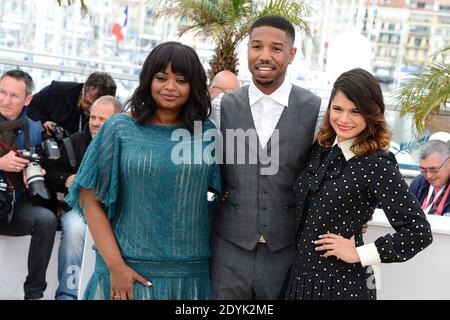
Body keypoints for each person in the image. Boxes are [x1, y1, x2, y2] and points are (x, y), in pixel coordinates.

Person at [64, 41, 221, 300]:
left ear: (193, 86)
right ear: (148, 79)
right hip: (124, 274)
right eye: (161, 78)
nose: (170, 87)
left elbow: (222, 197)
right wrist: (116, 267)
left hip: (188, 276)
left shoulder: (206, 133)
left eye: (181, 80)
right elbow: (88, 198)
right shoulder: (118, 128)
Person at [281, 68, 433, 300]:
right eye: (338, 108)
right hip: (301, 279)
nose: (343, 119)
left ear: (371, 114)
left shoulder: (376, 164)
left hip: (340, 286)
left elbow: (419, 232)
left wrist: (359, 253)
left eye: (356, 111)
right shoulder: (321, 149)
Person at [210, 15, 324, 299]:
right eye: (257, 46)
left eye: (276, 48)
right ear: (247, 50)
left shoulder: (316, 110)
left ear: (291, 54)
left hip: (285, 251)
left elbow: (333, 170)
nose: (265, 56)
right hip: (228, 249)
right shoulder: (222, 107)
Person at [45, 96, 122, 300]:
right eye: (93, 117)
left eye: (103, 119)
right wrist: (66, 179)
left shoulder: (127, 144)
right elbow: (50, 173)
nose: (96, 123)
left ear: (118, 120)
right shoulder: (74, 141)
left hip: (116, 212)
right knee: (75, 229)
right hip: (78, 211)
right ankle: (67, 295)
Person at [0, 69, 57, 300]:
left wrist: (35, 173)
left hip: (12, 206)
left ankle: (34, 294)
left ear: (28, 99)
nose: (5, 100)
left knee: (46, 219)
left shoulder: (34, 131)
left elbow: (41, 171)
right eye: (2, 92)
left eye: (14, 95)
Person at [26, 72, 117, 137]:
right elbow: (29, 106)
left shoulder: (113, 114)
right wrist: (43, 122)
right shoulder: (57, 91)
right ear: (83, 89)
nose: (91, 110)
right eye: (88, 103)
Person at [410, 139, 450, 217]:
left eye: (433, 169)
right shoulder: (419, 181)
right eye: (423, 169)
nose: (428, 176)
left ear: (448, 163)